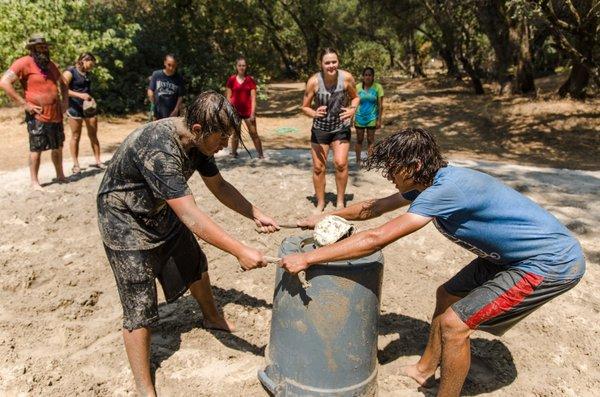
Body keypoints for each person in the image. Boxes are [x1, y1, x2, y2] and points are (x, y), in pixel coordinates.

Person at [281, 127, 586, 397]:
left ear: (414, 166)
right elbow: (372, 208)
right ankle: (425, 369)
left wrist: (308, 257)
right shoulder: (427, 182)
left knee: (455, 325)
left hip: (548, 263)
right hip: (508, 256)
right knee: (447, 294)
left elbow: (376, 238)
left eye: (392, 169)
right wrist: (324, 216)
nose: (389, 175)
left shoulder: (445, 190)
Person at [97, 91, 279, 396]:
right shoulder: (160, 148)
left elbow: (219, 186)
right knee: (139, 301)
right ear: (197, 129)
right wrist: (239, 250)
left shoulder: (199, 140)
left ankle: (212, 317)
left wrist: (254, 213)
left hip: (159, 207)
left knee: (192, 260)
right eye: (221, 139)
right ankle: (144, 387)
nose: (224, 146)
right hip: (123, 217)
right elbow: (190, 213)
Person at [0, 33, 68, 189]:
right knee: (36, 148)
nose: (43, 50)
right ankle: (34, 181)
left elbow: (63, 83)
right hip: (37, 114)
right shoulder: (23, 63)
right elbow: (4, 82)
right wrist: (24, 104)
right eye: (40, 47)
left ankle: (60, 175)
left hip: (55, 114)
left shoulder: (51, 64)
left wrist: (65, 102)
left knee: (57, 146)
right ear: (33, 49)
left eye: (45, 47)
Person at [301, 48, 359, 212]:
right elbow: (304, 107)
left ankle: (340, 201)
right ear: (321, 64)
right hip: (320, 129)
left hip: (341, 127)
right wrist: (314, 112)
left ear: (338, 62)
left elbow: (355, 97)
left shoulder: (346, 78)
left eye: (334, 62)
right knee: (319, 168)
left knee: (341, 164)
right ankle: (320, 203)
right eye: (327, 62)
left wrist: (352, 109)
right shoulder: (314, 81)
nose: (331, 65)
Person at [63, 52, 102, 174]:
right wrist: (80, 95)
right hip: (74, 107)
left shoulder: (87, 74)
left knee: (93, 134)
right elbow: (62, 89)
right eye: (90, 65)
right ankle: (75, 164)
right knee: (75, 136)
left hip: (88, 107)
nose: (91, 68)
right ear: (84, 60)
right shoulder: (70, 72)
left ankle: (98, 160)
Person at [225, 57, 264, 158]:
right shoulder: (231, 80)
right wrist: (229, 112)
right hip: (235, 112)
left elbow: (253, 98)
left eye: (243, 65)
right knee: (235, 134)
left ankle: (261, 155)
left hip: (248, 112)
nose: (241, 67)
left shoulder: (250, 80)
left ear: (246, 67)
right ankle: (233, 153)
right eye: (239, 65)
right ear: (236, 66)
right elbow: (228, 98)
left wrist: (252, 113)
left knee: (254, 133)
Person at [354, 67, 384, 169]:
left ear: (373, 77)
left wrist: (379, 119)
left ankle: (370, 161)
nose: (367, 77)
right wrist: (350, 117)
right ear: (363, 76)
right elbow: (353, 103)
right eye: (366, 75)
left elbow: (380, 105)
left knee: (370, 140)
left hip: (372, 118)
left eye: (369, 75)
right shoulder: (357, 87)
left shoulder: (378, 87)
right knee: (359, 139)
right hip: (359, 118)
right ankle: (358, 160)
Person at [147, 54, 184, 120]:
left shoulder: (179, 78)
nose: (171, 68)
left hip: (172, 114)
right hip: (158, 112)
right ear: (165, 63)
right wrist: (151, 97)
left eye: (173, 66)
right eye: (169, 65)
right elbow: (150, 89)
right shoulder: (156, 74)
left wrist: (176, 110)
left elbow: (180, 96)